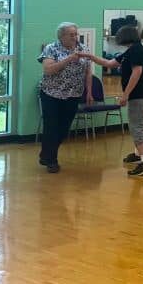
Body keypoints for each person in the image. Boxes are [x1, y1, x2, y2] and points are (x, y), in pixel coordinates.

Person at [36, 23, 95, 173]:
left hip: (73, 94)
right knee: (51, 126)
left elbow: (88, 71)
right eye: (71, 35)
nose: (75, 37)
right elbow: (48, 70)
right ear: (61, 36)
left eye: (76, 34)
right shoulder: (51, 48)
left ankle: (45, 154)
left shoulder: (83, 48)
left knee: (63, 129)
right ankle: (52, 161)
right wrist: (69, 59)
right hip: (51, 94)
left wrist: (89, 91)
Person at [112, 25, 143, 176]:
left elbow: (137, 72)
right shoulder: (131, 50)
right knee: (139, 124)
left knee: (137, 127)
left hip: (142, 95)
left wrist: (125, 95)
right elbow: (110, 64)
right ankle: (139, 154)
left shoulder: (136, 51)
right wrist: (88, 57)